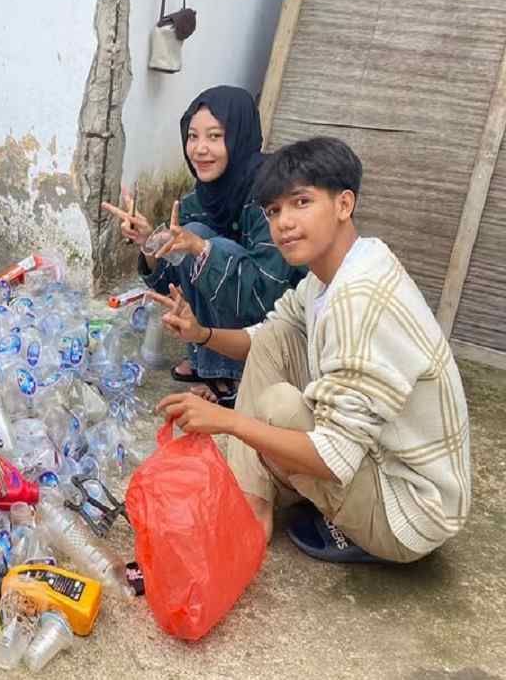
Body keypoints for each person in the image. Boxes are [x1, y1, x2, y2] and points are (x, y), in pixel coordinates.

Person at [152, 137, 471, 564]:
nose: (284, 222)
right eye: (274, 211)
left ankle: (335, 522)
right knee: (276, 337)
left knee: (280, 406)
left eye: (302, 202)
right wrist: (201, 334)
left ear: (344, 204)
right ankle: (254, 500)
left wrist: (226, 421)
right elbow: (264, 335)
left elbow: (335, 455)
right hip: (385, 456)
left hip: (410, 513)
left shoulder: (358, 299)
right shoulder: (336, 270)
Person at [102, 86, 304, 406]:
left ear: (238, 136)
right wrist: (148, 243)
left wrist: (201, 248)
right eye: (192, 136)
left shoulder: (270, 194)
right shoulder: (201, 198)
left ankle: (232, 372)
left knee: (202, 242)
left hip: (282, 325)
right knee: (192, 238)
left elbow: (268, 290)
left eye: (214, 136)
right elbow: (172, 284)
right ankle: (208, 363)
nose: (199, 149)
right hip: (241, 313)